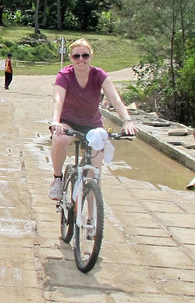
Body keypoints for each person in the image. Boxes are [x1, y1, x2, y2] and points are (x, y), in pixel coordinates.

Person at [48, 38, 137, 200]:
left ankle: (92, 214)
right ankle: (57, 179)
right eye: (76, 56)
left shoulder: (99, 75)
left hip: (92, 125)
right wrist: (55, 121)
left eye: (85, 55)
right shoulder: (64, 76)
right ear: (71, 58)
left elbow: (115, 99)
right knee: (60, 139)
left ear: (91, 56)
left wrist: (127, 120)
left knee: (94, 175)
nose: (81, 59)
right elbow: (58, 100)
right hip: (68, 122)